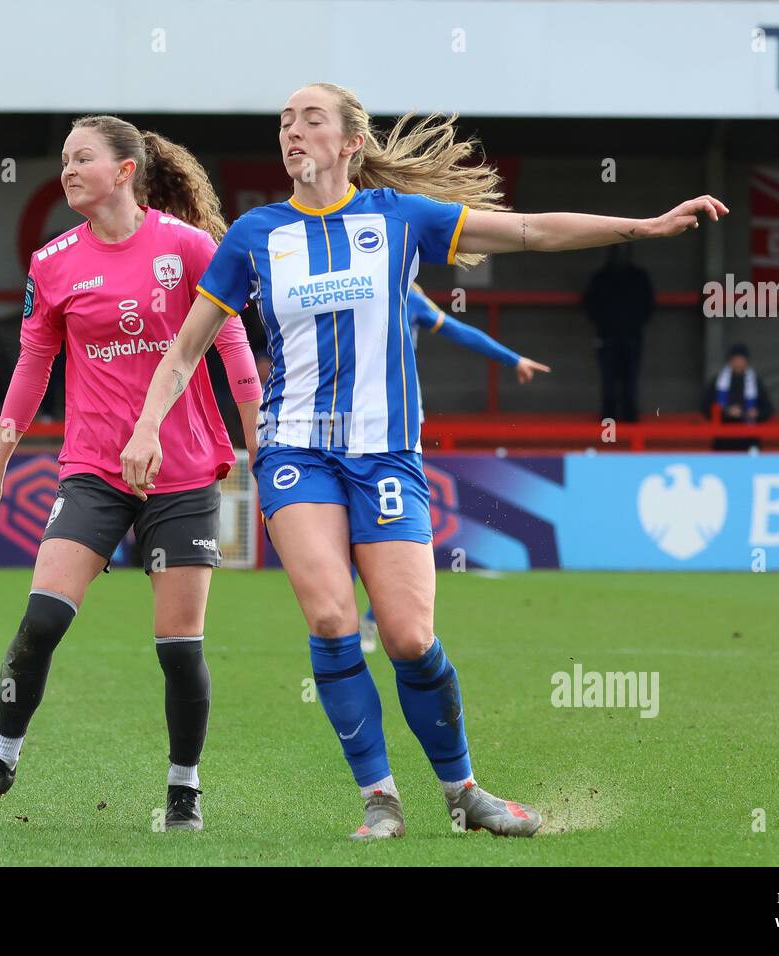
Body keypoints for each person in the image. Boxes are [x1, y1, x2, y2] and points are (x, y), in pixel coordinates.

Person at [120, 82, 727, 840]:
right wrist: (147, 426)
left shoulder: (396, 219)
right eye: (285, 122)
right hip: (295, 453)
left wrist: (645, 225)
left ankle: (464, 791)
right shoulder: (255, 235)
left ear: (351, 144)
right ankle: (380, 800)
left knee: (407, 638)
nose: (293, 132)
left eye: (312, 119)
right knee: (335, 617)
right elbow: (184, 351)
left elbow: (533, 232)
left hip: (386, 456)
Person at [0, 115, 262, 831]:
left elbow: (236, 354)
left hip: (181, 474)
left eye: (82, 157)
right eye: (63, 159)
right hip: (92, 471)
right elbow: (32, 369)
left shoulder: (190, 248)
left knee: (179, 650)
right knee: (41, 620)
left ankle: (184, 790)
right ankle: (0, 759)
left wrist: (260, 459)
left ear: (125, 171)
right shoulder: (52, 261)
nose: (68, 170)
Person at [357, 281, 549, 651]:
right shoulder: (349, 290)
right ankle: (355, 622)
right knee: (353, 527)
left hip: (395, 433)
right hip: (345, 428)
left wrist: (512, 359)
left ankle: (370, 618)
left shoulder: (405, 295)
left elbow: (458, 330)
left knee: (384, 529)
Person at [583, 244, 654, 423]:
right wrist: (606, 324)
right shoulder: (601, 278)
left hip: (632, 337)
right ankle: (609, 424)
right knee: (608, 382)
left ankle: (630, 422)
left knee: (630, 381)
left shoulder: (639, 277)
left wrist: (633, 324)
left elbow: (648, 305)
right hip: (607, 338)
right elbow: (590, 305)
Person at [701, 343, 773, 451]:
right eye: (735, 360)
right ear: (730, 361)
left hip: (749, 438)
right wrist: (726, 412)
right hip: (724, 439)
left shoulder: (755, 382)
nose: (738, 363)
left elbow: (768, 409)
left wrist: (756, 413)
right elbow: (705, 407)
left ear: (746, 361)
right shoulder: (718, 382)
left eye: (741, 360)